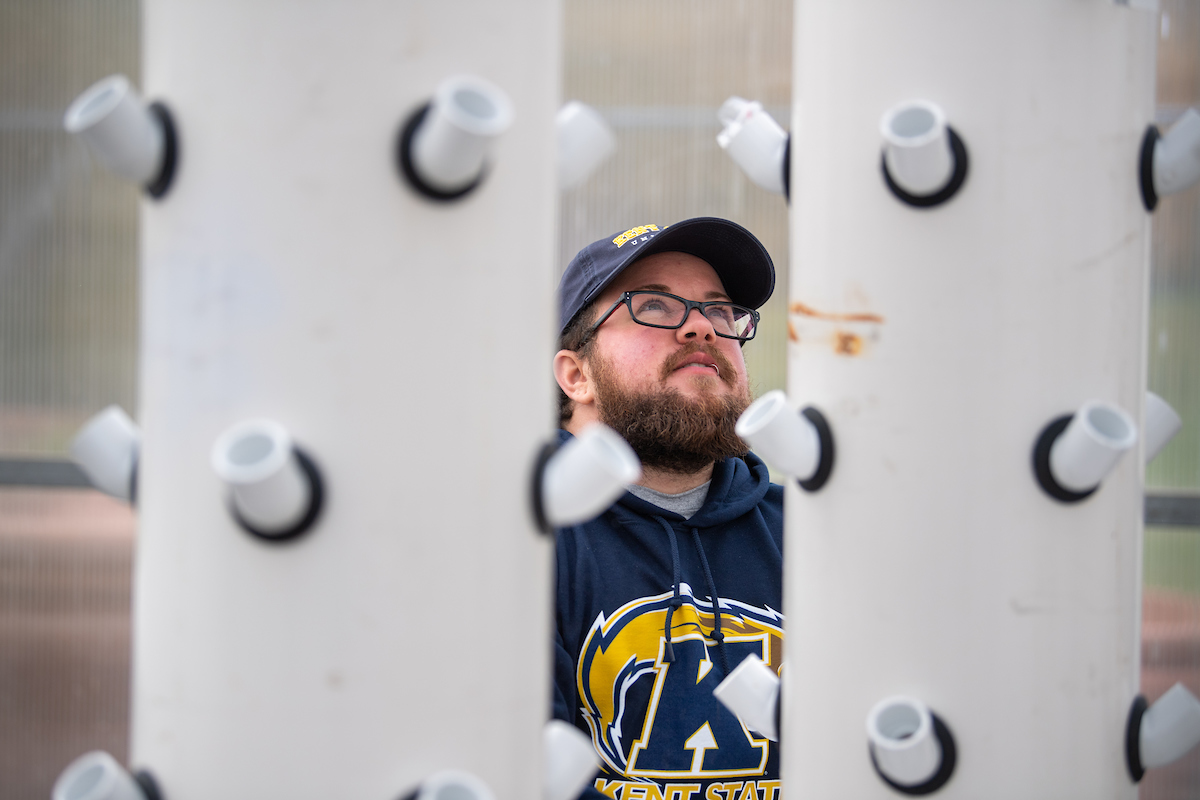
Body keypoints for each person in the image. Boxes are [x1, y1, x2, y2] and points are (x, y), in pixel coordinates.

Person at [552, 218, 784, 800]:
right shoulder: (517, 539)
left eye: (721, 312)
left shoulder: (812, 537)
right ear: (576, 375)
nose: (703, 327)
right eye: (654, 306)